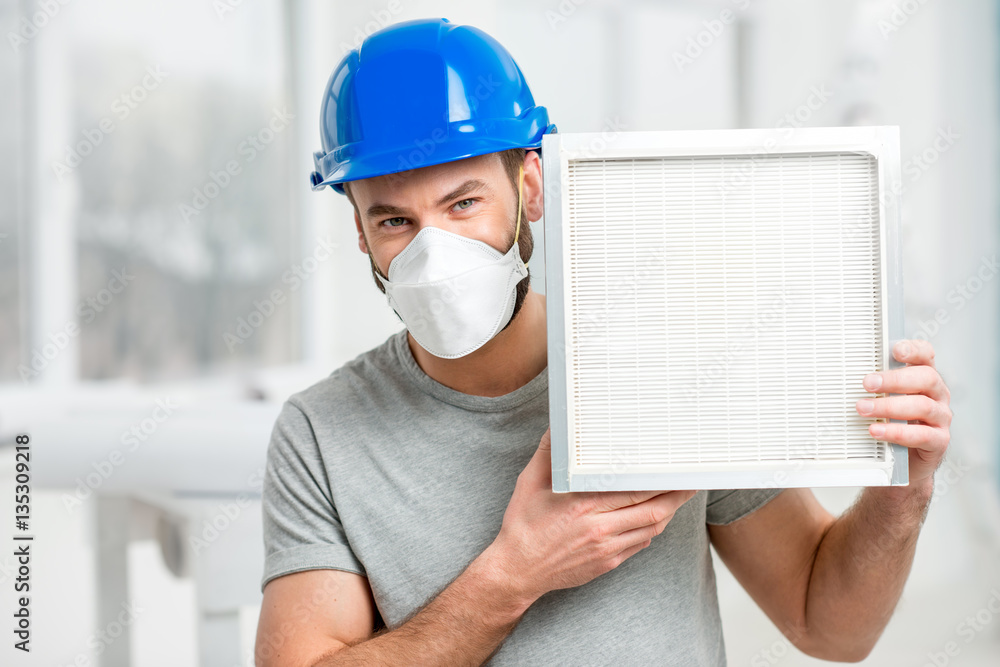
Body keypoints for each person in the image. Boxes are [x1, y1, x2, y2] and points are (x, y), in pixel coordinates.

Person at [254, 17, 952, 666]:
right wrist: (513, 573)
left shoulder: (670, 353)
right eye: (395, 222)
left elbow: (826, 622)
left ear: (529, 187)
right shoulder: (322, 432)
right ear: (358, 231)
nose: (434, 257)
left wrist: (902, 494)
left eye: (463, 202)